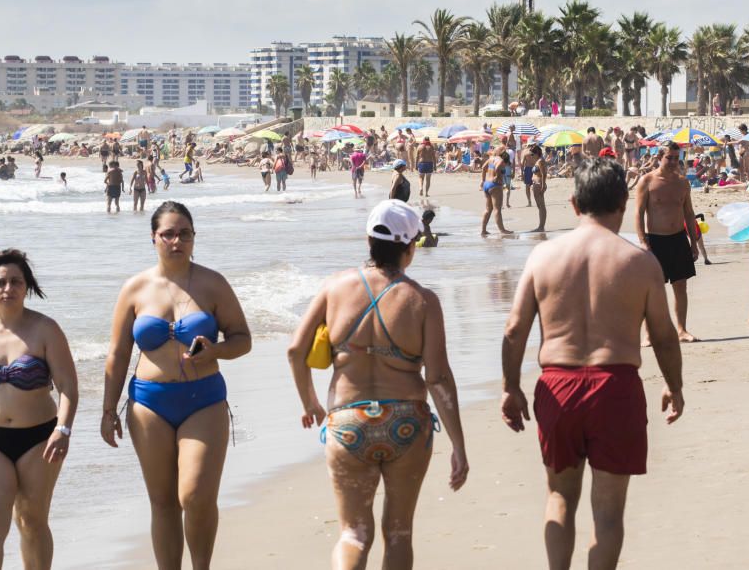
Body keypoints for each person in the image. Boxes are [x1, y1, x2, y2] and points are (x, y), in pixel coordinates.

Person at [501, 158, 684, 570]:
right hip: (615, 388)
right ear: (622, 203)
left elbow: (515, 330)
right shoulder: (639, 263)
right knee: (608, 514)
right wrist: (675, 384)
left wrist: (510, 386)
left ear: (573, 202)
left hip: (557, 385)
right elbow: (663, 335)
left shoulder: (544, 256)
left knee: (559, 497)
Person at [286, 200, 468, 568]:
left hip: (348, 424)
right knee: (399, 532)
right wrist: (458, 445)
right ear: (409, 247)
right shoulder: (423, 300)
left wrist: (310, 403)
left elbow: (295, 350)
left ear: (368, 241)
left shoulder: (334, 287)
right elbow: (438, 377)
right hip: (406, 422)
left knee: (353, 533)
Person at [101, 202, 252, 569]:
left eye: (184, 232)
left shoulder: (212, 283)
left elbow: (242, 339)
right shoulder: (134, 288)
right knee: (163, 501)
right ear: (154, 238)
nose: (176, 240)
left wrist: (214, 350)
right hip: (148, 403)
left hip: (204, 400)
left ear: (193, 238)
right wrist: (108, 409)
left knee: (196, 495)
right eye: (168, 233)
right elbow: (118, 354)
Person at [0, 249, 78, 569]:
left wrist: (63, 429)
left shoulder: (46, 329)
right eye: (0, 282)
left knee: (31, 521)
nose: (8, 288)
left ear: (27, 287)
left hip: (40, 438)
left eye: (16, 282)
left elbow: (68, 387)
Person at [635, 142, 700, 342]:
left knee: (681, 287)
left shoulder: (682, 182)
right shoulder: (647, 181)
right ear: (659, 158)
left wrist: (693, 243)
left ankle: (681, 330)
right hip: (655, 240)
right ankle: (650, 334)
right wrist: (644, 242)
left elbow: (689, 214)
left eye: (676, 158)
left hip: (679, 239)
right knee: (654, 290)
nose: (672, 162)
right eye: (669, 157)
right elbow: (638, 214)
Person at [480, 149, 512, 236]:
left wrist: (482, 181)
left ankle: (483, 230)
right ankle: (502, 230)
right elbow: (498, 167)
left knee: (488, 209)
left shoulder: (491, 158)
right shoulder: (500, 161)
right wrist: (497, 176)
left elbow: (483, 168)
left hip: (487, 184)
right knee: (497, 209)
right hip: (495, 185)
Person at [531, 145, 548, 232]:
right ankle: (541, 226)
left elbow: (544, 173)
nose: (531, 156)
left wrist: (543, 185)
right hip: (536, 184)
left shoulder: (540, 161)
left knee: (541, 206)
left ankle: (541, 227)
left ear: (537, 153)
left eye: (532, 154)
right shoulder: (538, 160)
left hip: (539, 184)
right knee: (540, 206)